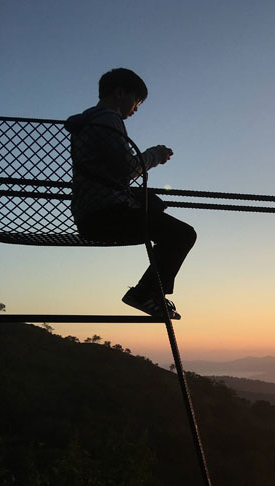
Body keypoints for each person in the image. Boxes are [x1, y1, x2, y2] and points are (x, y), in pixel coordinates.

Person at [65, 68, 196, 319]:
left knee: (154, 205)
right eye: (137, 101)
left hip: (89, 211)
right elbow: (125, 170)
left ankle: (150, 292)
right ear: (119, 93)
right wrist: (154, 156)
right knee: (183, 234)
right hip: (106, 216)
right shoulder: (108, 119)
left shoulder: (86, 122)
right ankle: (145, 293)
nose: (136, 109)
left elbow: (106, 174)